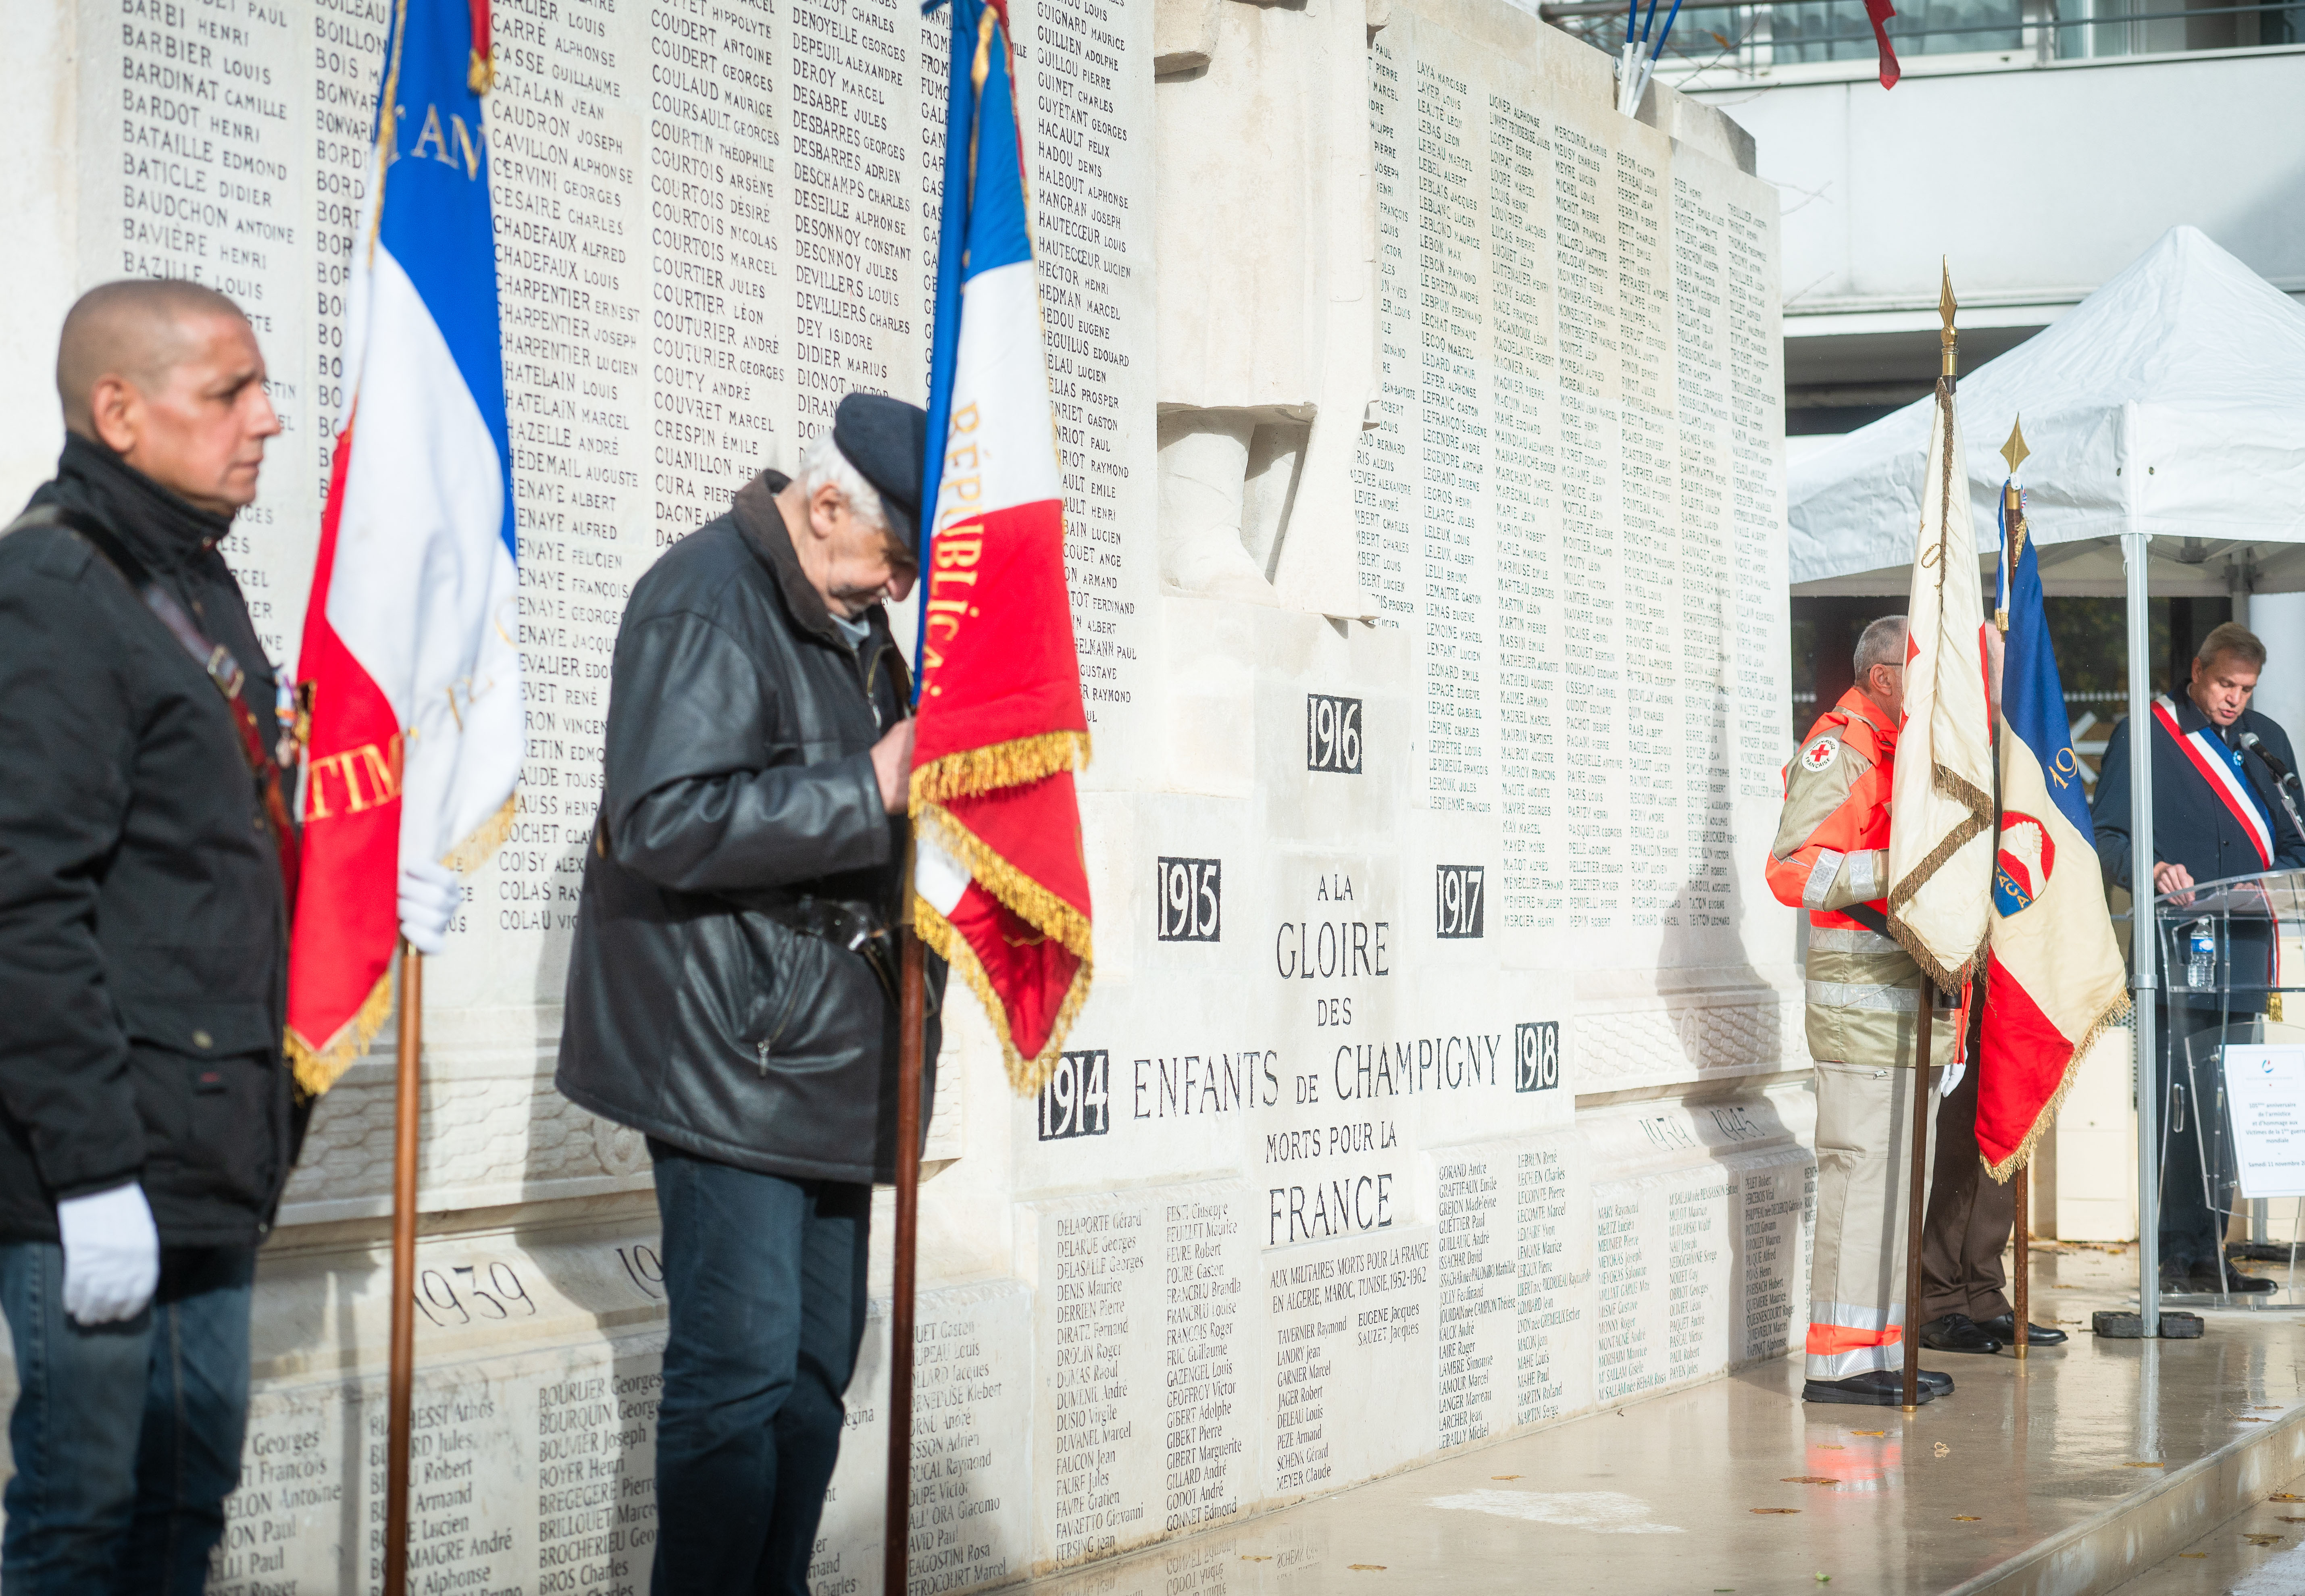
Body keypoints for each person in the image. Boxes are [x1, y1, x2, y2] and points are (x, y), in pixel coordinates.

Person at [555, 393, 945, 1594]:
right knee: (736, 1381)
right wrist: (868, 787)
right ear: (826, 505)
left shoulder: (839, 607)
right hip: (733, 1050)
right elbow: (660, 820)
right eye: (892, 558)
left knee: (814, 1375)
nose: (896, 591)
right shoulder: (706, 597)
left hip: (831, 1055)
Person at [0, 279, 301, 1591]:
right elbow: (21, 900)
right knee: (83, 1513)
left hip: (206, 1139)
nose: (268, 419)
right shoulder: (57, 587)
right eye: (229, 391)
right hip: (104, 1159)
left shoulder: (186, 572)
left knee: (186, 1502)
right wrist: (88, 1176)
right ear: (119, 411)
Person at [1768, 614, 1958, 1406]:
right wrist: (1897, 867)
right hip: (1859, 1014)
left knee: (1896, 1194)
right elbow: (1790, 870)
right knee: (1861, 1182)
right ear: (1882, 677)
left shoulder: (1898, 753)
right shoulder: (1840, 747)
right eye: (1918, 674)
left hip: (1906, 1013)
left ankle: (1881, 1351)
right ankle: (1837, 1366)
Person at [2093, 621, 2305, 1294]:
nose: (2233, 701)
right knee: (2175, 1104)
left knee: (2226, 1106)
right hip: (2173, 952)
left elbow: (2297, 845)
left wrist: (2262, 884)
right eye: (2223, 685)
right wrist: (2151, 869)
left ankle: (2211, 1252)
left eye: (2245, 689)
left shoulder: (2265, 743)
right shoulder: (2146, 733)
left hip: (2243, 953)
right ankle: (2169, 1252)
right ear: (2196, 671)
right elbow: (2105, 836)